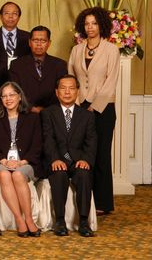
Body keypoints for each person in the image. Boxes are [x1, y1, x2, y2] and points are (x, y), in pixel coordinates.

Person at [68, 7, 119, 215]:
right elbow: (71, 77)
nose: (90, 27)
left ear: (102, 26)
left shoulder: (111, 50)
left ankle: (103, 203)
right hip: (80, 108)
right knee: (82, 153)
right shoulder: (76, 50)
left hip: (103, 110)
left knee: (101, 155)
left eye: (94, 24)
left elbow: (111, 81)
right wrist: (79, 103)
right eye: (87, 24)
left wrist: (93, 105)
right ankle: (83, 200)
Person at [42, 74, 97, 237]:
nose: (67, 92)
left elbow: (92, 141)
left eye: (71, 88)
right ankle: (60, 221)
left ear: (77, 92)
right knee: (59, 175)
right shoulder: (48, 113)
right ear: (57, 92)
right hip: (57, 159)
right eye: (63, 88)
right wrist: (54, 159)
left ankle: (84, 222)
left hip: (78, 160)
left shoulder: (87, 116)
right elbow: (47, 139)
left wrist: (86, 160)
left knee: (84, 174)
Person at [0, 82, 42, 237]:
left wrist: (21, 162)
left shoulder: (32, 118)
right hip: (2, 162)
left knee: (18, 175)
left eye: (11, 95)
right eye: (4, 96)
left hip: (26, 162)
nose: (8, 99)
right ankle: (19, 220)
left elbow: (37, 146)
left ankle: (29, 220)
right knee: (4, 175)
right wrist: (4, 161)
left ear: (20, 97)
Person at [9, 26, 67, 113]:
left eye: (43, 41)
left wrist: (47, 110)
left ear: (49, 43)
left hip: (53, 114)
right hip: (25, 113)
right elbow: (15, 91)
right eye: (35, 40)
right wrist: (31, 108)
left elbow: (61, 91)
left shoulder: (60, 65)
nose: (39, 44)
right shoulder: (17, 65)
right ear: (29, 42)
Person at [0, 1, 30, 95]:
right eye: (7, 13)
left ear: (19, 17)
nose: (10, 17)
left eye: (14, 14)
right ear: (1, 16)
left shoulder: (28, 38)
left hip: (21, 86)